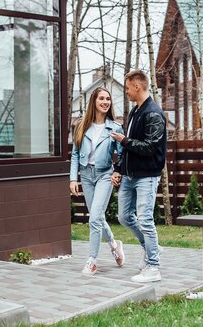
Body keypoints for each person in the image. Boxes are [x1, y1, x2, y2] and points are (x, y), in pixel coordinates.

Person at [110, 69, 167, 283]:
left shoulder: (153, 113)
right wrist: (118, 170)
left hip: (146, 176)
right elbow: (129, 149)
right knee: (124, 217)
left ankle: (153, 267)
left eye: (127, 87)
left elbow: (150, 148)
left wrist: (124, 140)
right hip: (129, 175)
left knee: (145, 219)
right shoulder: (135, 112)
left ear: (137, 86)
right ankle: (152, 248)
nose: (125, 92)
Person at [70, 87, 126, 276]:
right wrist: (73, 179)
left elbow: (123, 154)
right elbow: (75, 155)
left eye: (108, 99)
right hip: (86, 175)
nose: (105, 102)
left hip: (104, 175)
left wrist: (118, 172)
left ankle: (92, 261)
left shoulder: (114, 127)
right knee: (98, 218)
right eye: (102, 98)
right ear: (94, 101)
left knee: (94, 218)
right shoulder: (82, 126)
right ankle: (113, 244)